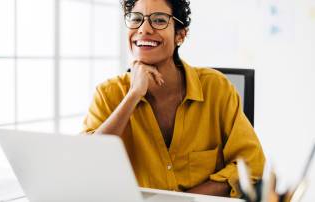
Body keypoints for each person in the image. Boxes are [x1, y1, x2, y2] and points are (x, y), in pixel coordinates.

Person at [83, 0, 265, 198]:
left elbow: (252, 163)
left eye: (159, 20)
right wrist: (133, 95)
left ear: (180, 35)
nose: (143, 29)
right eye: (136, 19)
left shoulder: (217, 88)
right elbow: (86, 164)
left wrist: (185, 200)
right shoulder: (108, 94)